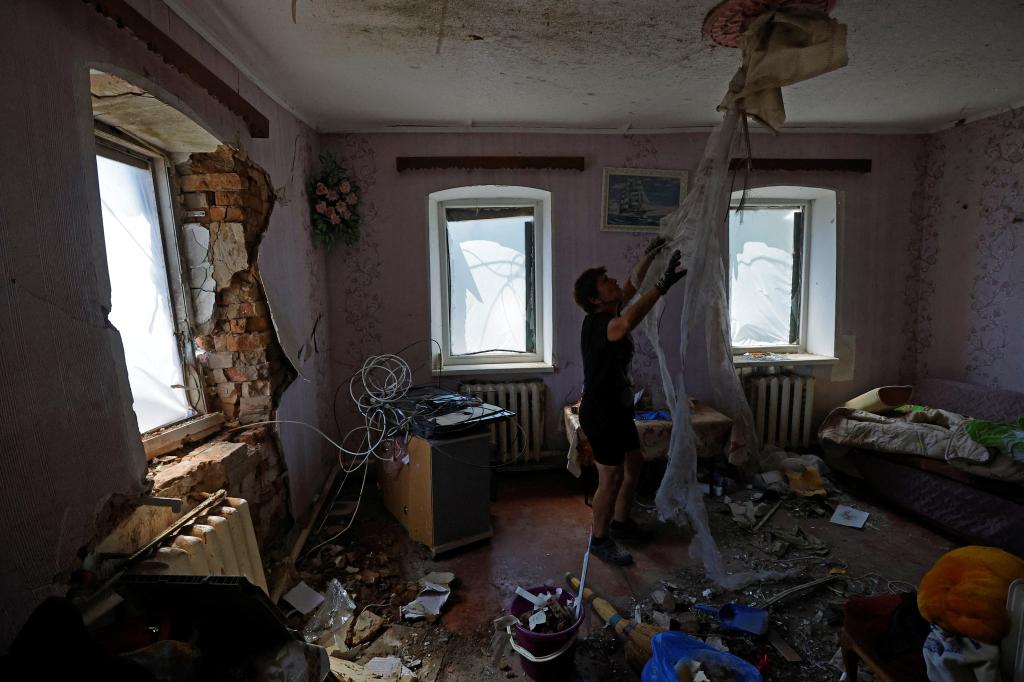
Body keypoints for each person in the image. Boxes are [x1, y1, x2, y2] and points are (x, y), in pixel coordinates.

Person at [572, 241, 686, 565]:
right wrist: (661, 286)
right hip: (601, 414)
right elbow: (626, 324)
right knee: (610, 477)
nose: (615, 284)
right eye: (606, 284)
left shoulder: (611, 309)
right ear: (595, 299)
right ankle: (600, 539)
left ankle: (621, 523)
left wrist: (652, 254)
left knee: (633, 464)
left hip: (618, 410)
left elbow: (633, 283)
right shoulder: (599, 324)